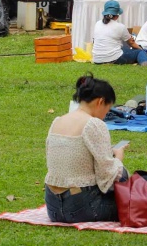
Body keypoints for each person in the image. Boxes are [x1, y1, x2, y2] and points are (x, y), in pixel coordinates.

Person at [44, 73, 129, 223]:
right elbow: (109, 175)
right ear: (100, 102)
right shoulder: (93, 124)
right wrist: (119, 157)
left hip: (53, 207)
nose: (105, 115)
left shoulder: (57, 121)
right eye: (107, 110)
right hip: (82, 207)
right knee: (134, 200)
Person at [92, 0, 147, 66]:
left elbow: (94, 41)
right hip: (113, 59)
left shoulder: (97, 24)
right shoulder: (120, 27)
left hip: (97, 59)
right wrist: (142, 51)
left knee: (124, 48)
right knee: (139, 53)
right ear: (117, 15)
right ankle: (146, 65)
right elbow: (132, 43)